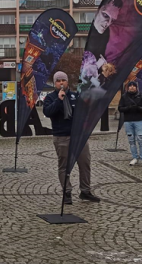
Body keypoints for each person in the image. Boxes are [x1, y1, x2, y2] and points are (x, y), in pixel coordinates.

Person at [43, 71, 101, 205]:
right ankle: (67, 192)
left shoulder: (75, 96)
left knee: (85, 164)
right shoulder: (51, 97)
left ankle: (85, 191)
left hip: (78, 137)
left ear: (67, 82)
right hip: (61, 137)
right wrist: (59, 100)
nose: (61, 83)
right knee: (64, 166)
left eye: (63, 80)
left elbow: (84, 112)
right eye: (58, 81)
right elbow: (48, 112)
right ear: (54, 83)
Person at [118, 81, 142, 167]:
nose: (132, 87)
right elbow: (120, 108)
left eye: (133, 86)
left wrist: (138, 108)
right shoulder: (124, 97)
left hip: (138, 120)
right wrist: (128, 108)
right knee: (131, 140)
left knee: (141, 139)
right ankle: (134, 157)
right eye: (130, 86)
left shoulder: (141, 96)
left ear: (136, 87)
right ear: (128, 88)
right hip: (128, 121)